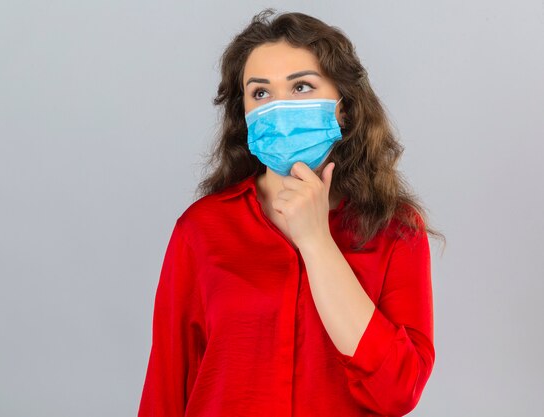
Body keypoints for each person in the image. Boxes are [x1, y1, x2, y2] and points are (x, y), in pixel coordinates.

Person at [137, 8, 445, 417]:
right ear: (244, 113)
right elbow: (166, 388)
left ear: (344, 107)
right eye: (260, 93)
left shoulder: (396, 231)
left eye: (301, 87)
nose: (279, 108)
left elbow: (398, 391)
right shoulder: (201, 230)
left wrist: (316, 241)